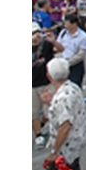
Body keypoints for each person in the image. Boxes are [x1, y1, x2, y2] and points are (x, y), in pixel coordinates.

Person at [41, 58, 86, 170]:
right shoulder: (73, 87)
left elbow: (65, 126)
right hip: (78, 140)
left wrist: (53, 152)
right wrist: (52, 101)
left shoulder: (62, 97)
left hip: (67, 145)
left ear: (49, 76)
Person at [32, 22, 58, 150]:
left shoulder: (46, 45)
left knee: (50, 111)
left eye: (37, 32)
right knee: (32, 112)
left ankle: (43, 123)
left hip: (46, 83)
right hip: (32, 85)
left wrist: (53, 41)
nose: (36, 36)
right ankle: (38, 135)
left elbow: (61, 49)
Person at [55, 13, 86, 87]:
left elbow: (81, 54)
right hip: (62, 63)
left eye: (67, 24)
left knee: (75, 86)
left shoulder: (83, 37)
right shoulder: (63, 33)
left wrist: (67, 63)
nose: (65, 26)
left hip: (75, 65)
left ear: (74, 24)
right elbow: (58, 47)